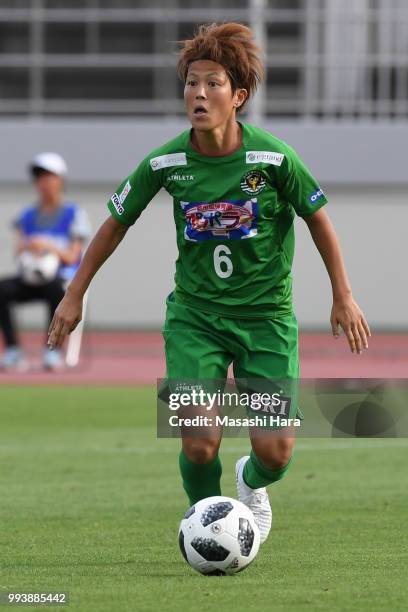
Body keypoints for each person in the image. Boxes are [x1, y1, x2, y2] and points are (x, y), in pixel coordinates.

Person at [48, 23, 370, 543]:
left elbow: (318, 217)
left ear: (238, 96)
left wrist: (344, 295)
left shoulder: (273, 159)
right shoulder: (165, 162)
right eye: (191, 83)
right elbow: (114, 224)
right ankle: (206, 525)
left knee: (276, 453)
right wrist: (75, 292)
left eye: (212, 83)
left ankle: (249, 481)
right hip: (194, 319)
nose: (198, 93)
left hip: (266, 321)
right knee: (198, 440)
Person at [0, 152, 91, 371]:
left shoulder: (73, 214)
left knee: (56, 291)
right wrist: (30, 247)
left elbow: (73, 256)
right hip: (31, 276)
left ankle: (52, 352)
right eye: (39, 177)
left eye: (49, 176)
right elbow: (19, 249)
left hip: (60, 281)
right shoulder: (27, 215)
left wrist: (48, 246)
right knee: (2, 289)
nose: (44, 182)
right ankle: (13, 351)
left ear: (60, 180)